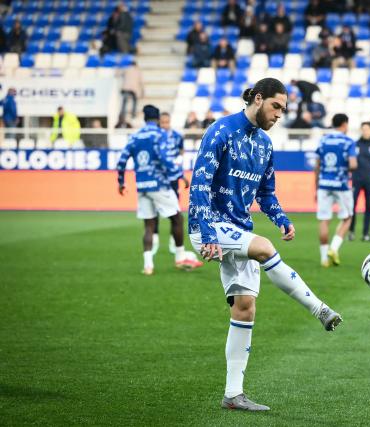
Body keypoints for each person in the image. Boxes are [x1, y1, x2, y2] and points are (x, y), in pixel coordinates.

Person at [188, 78, 343, 411]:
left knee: (245, 308)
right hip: (210, 226)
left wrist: (281, 218)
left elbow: (265, 193)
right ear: (258, 99)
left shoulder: (264, 145)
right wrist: (208, 231)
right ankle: (319, 309)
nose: (279, 115)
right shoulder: (221, 131)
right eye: (276, 106)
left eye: (283, 110)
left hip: (238, 230)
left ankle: (233, 394)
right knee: (265, 248)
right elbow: (199, 182)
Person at [116, 105, 202, 275]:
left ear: (144, 118)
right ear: (157, 119)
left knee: (149, 225)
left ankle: (148, 265)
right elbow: (165, 158)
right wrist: (181, 175)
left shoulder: (135, 137)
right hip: (159, 184)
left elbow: (122, 161)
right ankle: (179, 257)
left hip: (142, 186)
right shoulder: (160, 134)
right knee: (177, 218)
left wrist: (121, 182)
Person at [314, 114, 357, 266]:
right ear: (345, 124)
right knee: (347, 218)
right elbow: (352, 164)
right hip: (341, 185)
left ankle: (324, 258)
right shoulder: (348, 142)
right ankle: (334, 248)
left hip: (324, 184)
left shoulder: (323, 140)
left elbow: (317, 165)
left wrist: (316, 187)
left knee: (324, 221)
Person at [150, 111, 189, 255]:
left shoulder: (177, 136)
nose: (165, 125)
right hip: (158, 178)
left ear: (170, 121)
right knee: (154, 210)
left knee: (175, 210)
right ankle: (154, 239)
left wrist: (177, 165)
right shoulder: (156, 136)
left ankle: (174, 240)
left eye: (167, 122)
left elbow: (181, 151)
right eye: (162, 122)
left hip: (172, 177)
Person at [349, 122, 370, 242]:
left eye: (367, 129)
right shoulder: (355, 144)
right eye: (363, 129)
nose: (365, 131)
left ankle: (366, 233)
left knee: (368, 207)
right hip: (356, 180)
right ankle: (351, 231)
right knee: (352, 207)